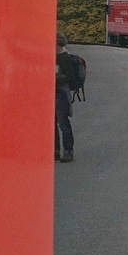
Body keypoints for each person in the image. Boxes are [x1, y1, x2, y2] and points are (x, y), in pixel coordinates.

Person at [55, 31, 79, 163]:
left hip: (61, 94)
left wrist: (54, 81)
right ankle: (56, 150)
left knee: (63, 122)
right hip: (56, 93)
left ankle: (68, 150)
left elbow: (70, 77)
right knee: (54, 123)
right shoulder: (55, 56)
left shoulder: (64, 58)